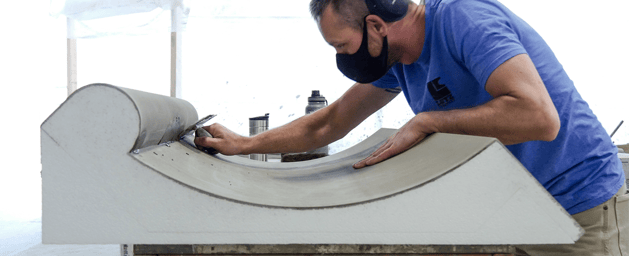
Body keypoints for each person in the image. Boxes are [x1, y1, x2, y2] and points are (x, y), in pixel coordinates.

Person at [195, 0, 628, 255]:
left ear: (376, 26)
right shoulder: (398, 60)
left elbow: (539, 118)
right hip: (520, 211)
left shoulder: (464, 21)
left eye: (342, 46)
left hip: (580, 210)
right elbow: (329, 123)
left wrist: (428, 121)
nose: (343, 58)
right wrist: (246, 144)